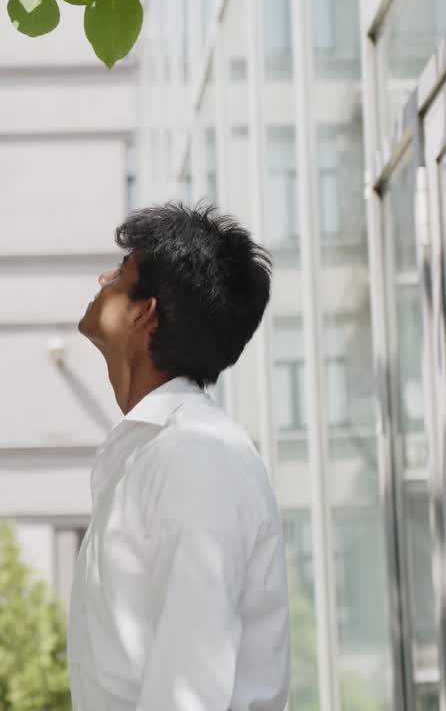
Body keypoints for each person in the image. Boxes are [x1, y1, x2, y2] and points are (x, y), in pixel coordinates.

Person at [68, 203, 289, 711]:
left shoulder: (194, 455)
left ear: (144, 313)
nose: (103, 279)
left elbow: (190, 689)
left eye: (120, 274)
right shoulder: (158, 448)